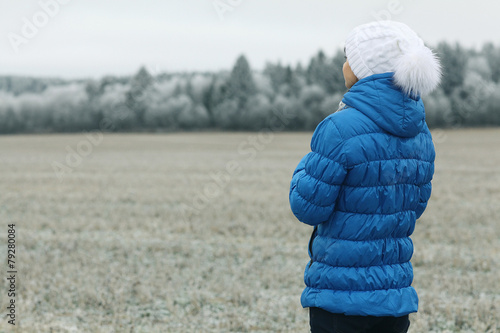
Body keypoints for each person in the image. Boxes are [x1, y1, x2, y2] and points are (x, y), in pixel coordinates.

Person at [289, 21, 442, 333]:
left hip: (340, 301)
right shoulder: (420, 133)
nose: (344, 64)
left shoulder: (338, 128)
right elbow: (416, 206)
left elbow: (307, 207)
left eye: (349, 57)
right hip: (394, 301)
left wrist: (305, 165)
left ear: (364, 69)